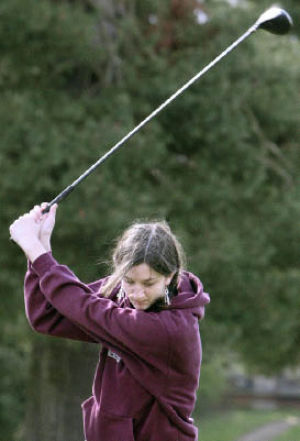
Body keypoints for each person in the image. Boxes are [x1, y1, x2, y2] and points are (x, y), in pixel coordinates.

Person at [9, 203, 210, 441]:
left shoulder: (170, 330)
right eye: (129, 281)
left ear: (169, 276)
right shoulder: (122, 294)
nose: (137, 293)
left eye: (148, 283)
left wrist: (36, 251)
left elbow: (85, 307)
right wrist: (41, 246)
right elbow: (47, 315)